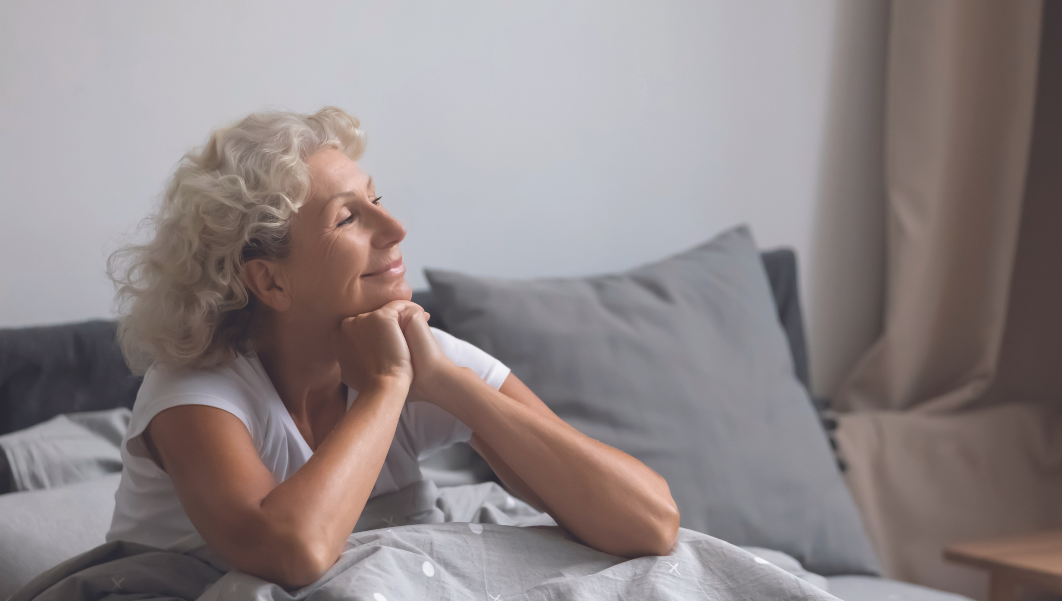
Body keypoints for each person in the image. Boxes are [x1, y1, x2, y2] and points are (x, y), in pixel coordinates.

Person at [105, 107, 679, 589]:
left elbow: (650, 522)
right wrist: (386, 387)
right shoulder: (192, 391)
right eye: (348, 218)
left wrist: (447, 383)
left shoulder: (413, 349)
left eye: (377, 198)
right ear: (271, 282)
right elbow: (294, 553)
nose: (395, 227)